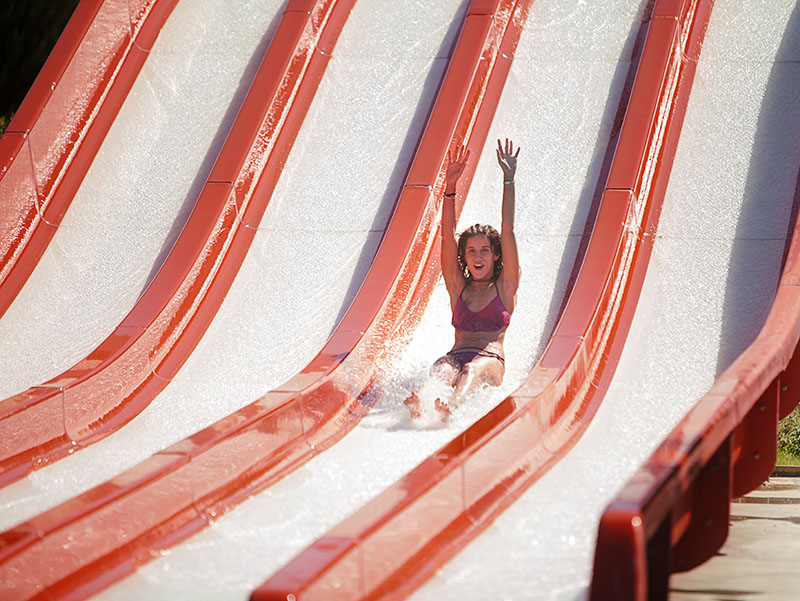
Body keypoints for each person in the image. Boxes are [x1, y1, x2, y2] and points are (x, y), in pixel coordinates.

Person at [405, 138, 520, 422]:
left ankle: (451, 407)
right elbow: (446, 238)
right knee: (444, 367)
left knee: (470, 371)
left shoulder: (505, 287)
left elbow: (508, 231)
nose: (477, 256)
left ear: (495, 256)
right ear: (465, 258)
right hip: (457, 353)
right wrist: (450, 188)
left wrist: (508, 181)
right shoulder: (459, 288)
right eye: (471, 251)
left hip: (490, 361)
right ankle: (418, 400)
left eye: (484, 250)